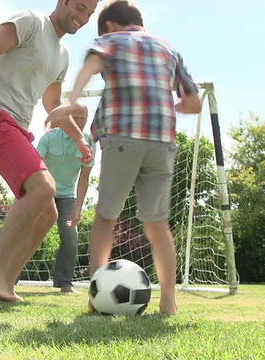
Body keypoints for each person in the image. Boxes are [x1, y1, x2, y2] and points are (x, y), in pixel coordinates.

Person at [47, 0, 203, 315]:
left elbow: (89, 68)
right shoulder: (169, 49)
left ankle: (96, 298)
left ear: (111, 26)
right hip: (162, 143)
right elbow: (194, 102)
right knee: (157, 223)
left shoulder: (110, 41)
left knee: (106, 217)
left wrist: (72, 102)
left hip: (123, 138)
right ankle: (169, 302)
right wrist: (167, 108)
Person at [0, 0, 99, 302]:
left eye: (89, 14)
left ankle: (6, 283)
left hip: (19, 130)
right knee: (44, 187)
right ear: (62, 2)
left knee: (48, 212)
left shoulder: (62, 56)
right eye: (79, 7)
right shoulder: (30, 22)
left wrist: (79, 140)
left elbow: (52, 105)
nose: (82, 17)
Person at [36, 111, 96, 294]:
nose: (79, 121)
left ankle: (65, 283)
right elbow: (35, 168)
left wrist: (78, 207)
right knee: (27, 232)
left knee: (71, 236)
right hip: (42, 192)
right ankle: (8, 279)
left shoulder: (89, 143)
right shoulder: (48, 138)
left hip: (67, 196)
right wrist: (43, 195)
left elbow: (84, 177)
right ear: (66, 119)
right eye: (75, 117)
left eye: (83, 118)